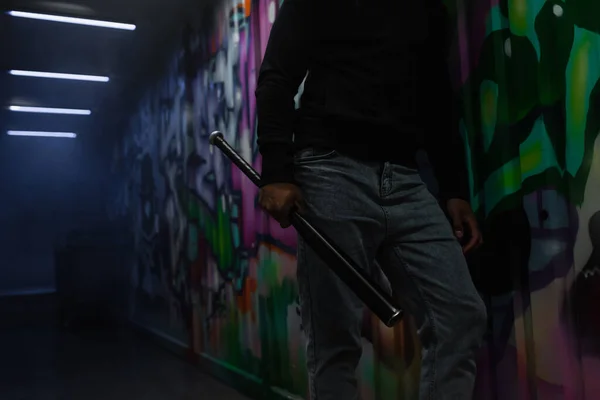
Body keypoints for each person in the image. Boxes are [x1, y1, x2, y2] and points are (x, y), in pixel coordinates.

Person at [255, 1, 487, 399]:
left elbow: (436, 98)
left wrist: (454, 189)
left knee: (460, 316)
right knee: (334, 342)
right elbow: (277, 75)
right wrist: (277, 172)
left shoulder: (428, 10)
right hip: (329, 171)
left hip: (405, 179)